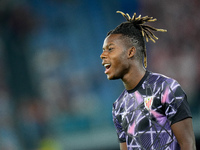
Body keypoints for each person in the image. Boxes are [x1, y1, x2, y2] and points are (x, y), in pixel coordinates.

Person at [100, 11, 196, 150]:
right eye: (103, 50)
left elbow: (188, 145)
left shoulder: (166, 88)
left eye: (110, 49)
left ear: (130, 52)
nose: (103, 55)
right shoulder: (118, 107)